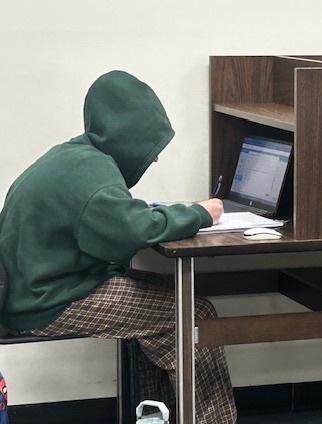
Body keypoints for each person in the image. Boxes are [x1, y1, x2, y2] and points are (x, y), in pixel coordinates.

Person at [0, 71, 236, 423]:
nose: (153, 159)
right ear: (127, 136)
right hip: (47, 302)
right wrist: (201, 213)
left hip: (34, 291)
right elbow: (132, 228)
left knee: (172, 312)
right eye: (148, 146)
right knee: (195, 314)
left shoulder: (74, 157)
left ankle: (157, 416)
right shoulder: (90, 173)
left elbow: (115, 222)